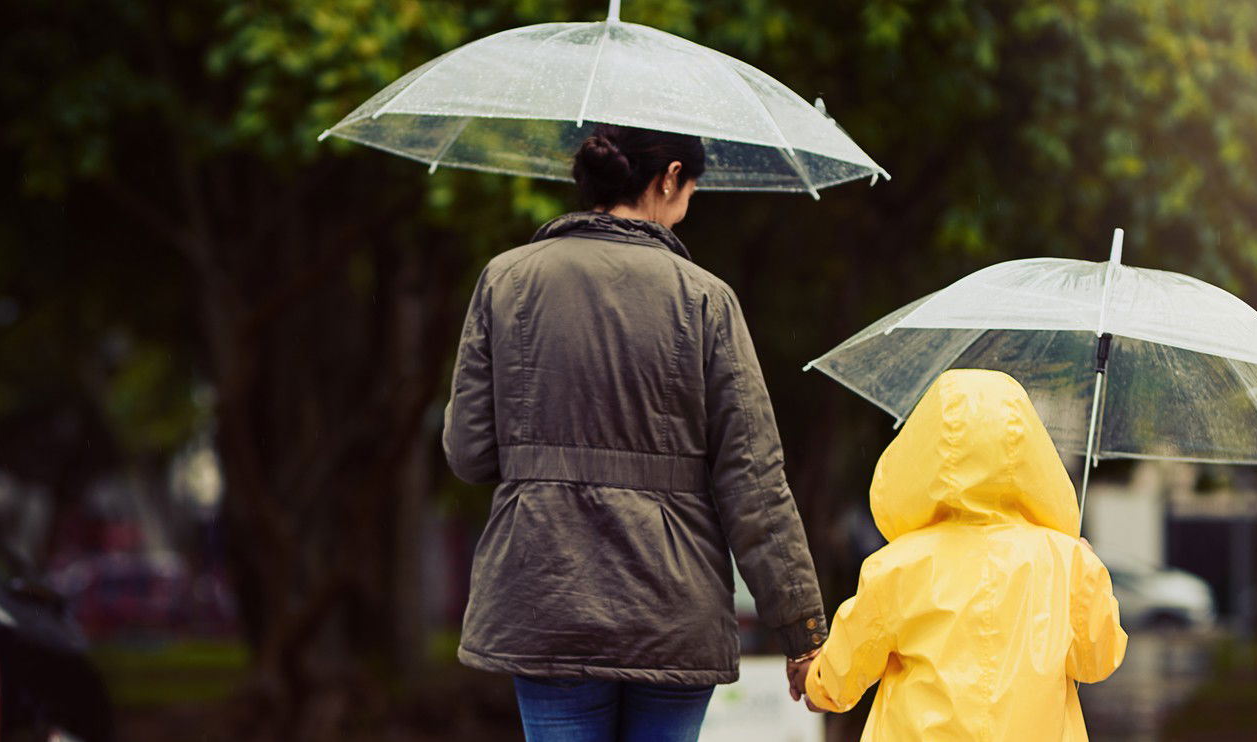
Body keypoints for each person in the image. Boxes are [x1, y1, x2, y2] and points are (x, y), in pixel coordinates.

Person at [442, 123, 827, 742]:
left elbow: (468, 453)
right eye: (691, 186)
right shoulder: (706, 300)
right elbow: (753, 483)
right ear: (670, 176)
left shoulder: (506, 280)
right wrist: (803, 630)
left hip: (545, 597)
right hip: (671, 610)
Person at [798, 369, 1129, 741]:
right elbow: (1096, 662)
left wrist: (813, 682)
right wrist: (1091, 577)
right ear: (1029, 453)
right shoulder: (1066, 562)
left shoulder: (896, 566)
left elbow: (846, 669)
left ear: (923, 452)